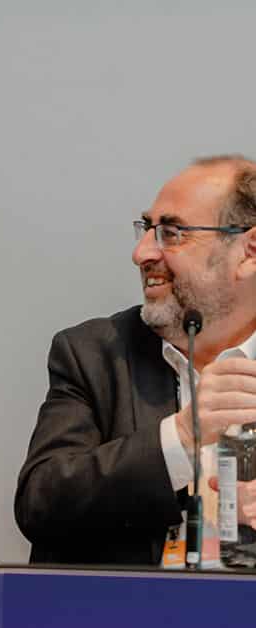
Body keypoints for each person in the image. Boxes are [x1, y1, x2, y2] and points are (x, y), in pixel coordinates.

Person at [16, 155, 256, 565]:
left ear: (248, 252)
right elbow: (41, 503)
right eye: (148, 229)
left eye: (172, 233)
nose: (142, 253)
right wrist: (179, 437)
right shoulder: (94, 353)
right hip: (121, 623)